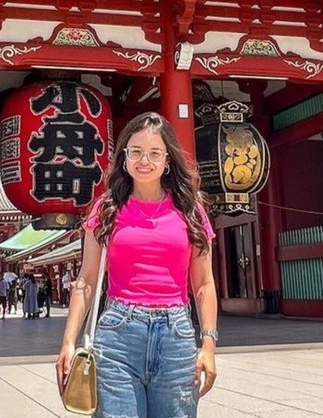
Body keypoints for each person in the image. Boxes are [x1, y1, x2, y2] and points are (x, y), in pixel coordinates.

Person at [56, 112, 219, 418]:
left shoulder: (190, 210)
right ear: (124, 157)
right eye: (136, 152)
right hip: (118, 335)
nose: (145, 161)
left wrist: (208, 345)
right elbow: (86, 280)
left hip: (176, 337)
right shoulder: (107, 209)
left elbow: (203, 284)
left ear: (167, 160)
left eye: (155, 153)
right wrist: (68, 342)